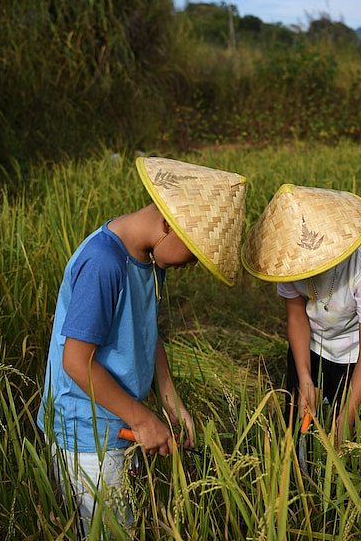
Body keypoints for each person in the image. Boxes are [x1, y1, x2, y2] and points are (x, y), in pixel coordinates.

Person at [36, 156, 247, 535]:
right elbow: (75, 361)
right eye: (194, 254)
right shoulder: (104, 264)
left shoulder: (151, 261)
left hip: (119, 423)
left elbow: (146, 333)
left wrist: (169, 399)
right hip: (86, 437)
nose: (192, 266)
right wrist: (141, 417)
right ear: (170, 224)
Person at [241, 184, 361, 445]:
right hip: (311, 348)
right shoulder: (286, 261)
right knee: (299, 424)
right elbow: (296, 318)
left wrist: (345, 420)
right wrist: (305, 376)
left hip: (357, 354)